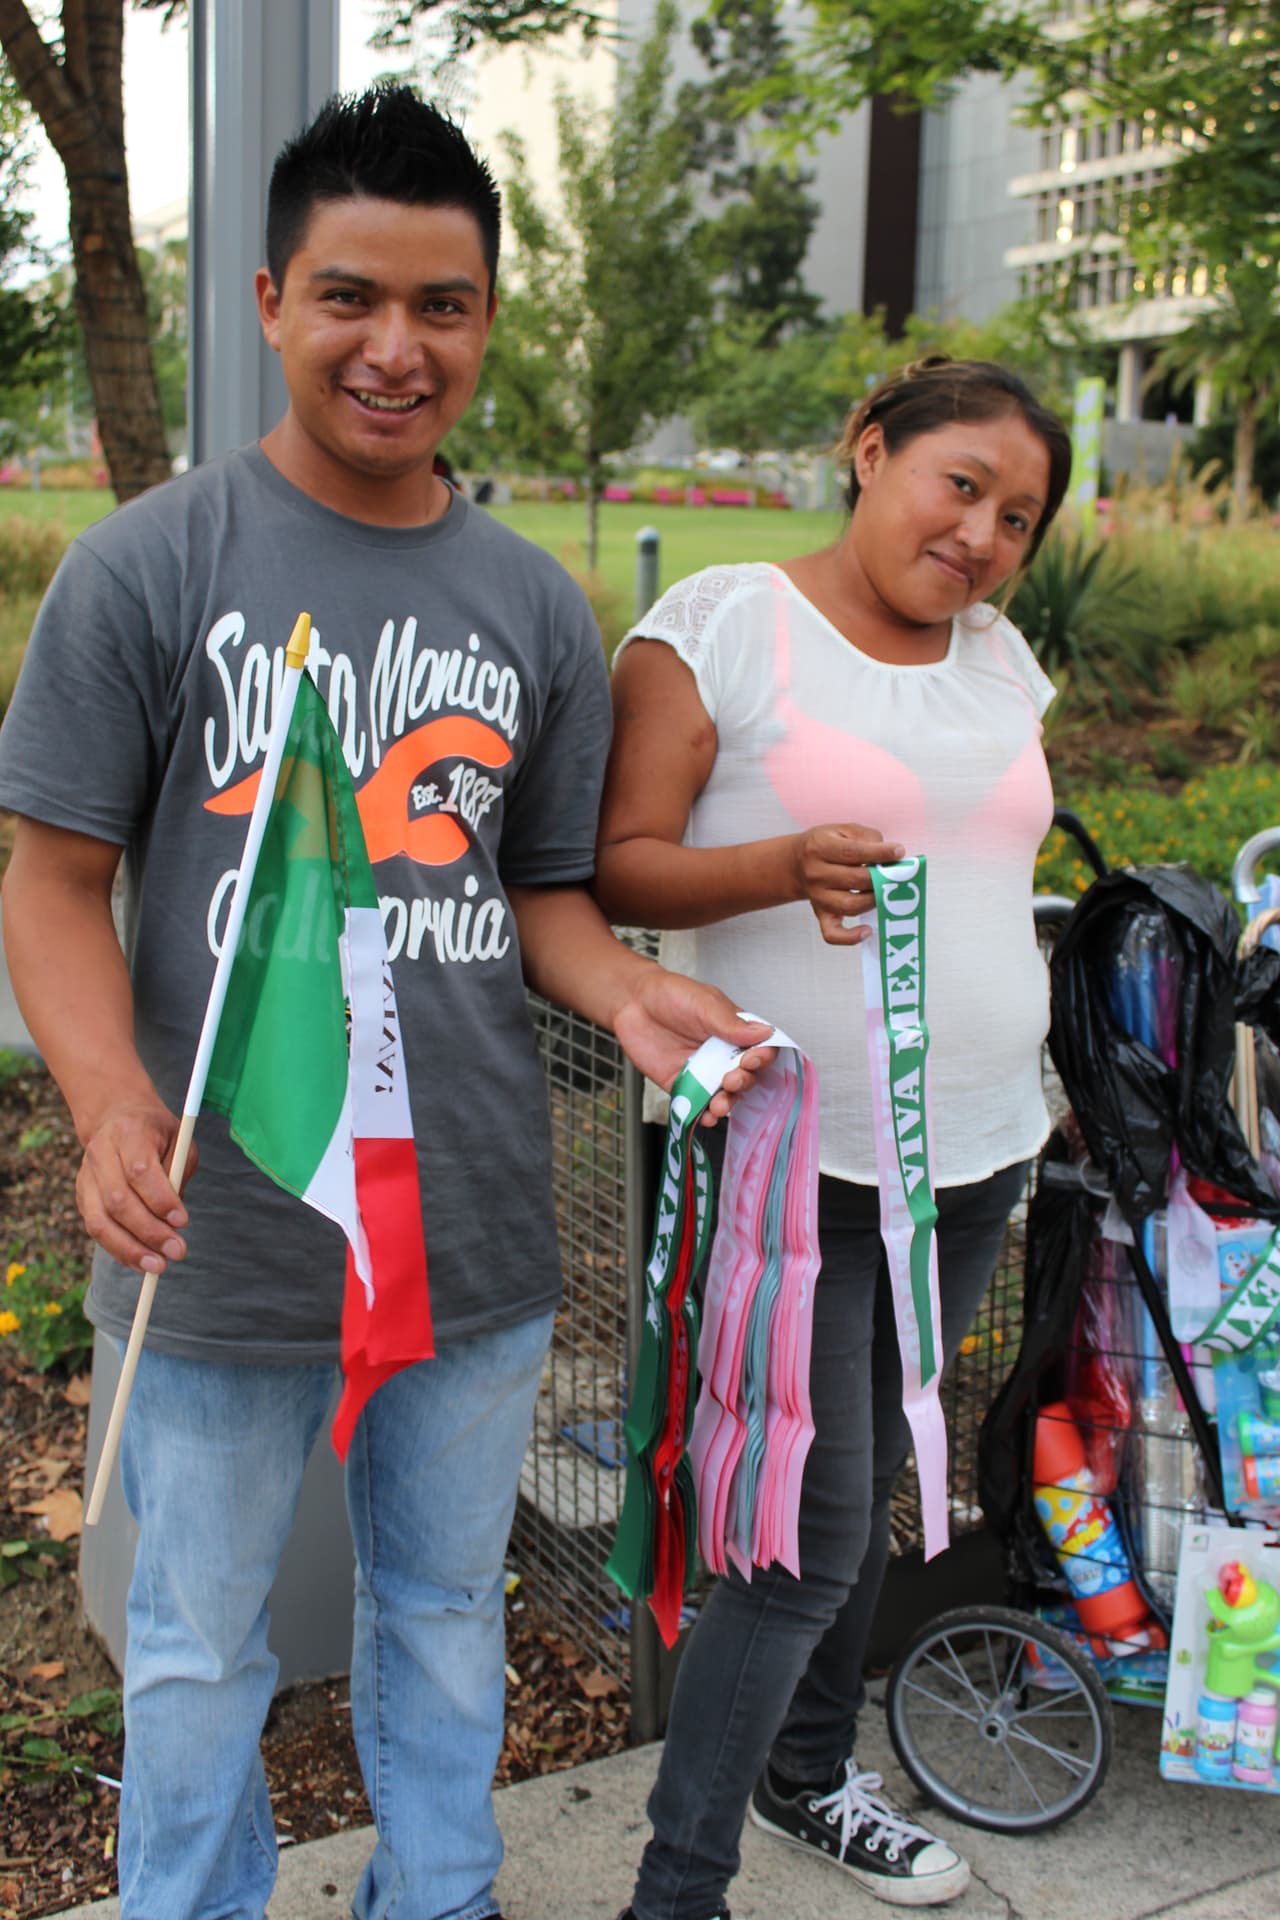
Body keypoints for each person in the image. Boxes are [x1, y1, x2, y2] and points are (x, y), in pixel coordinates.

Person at [0, 87, 770, 1920]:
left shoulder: (530, 604)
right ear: (269, 299)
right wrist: (108, 1099)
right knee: (192, 1645)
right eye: (351, 296)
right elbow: (49, 877)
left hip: (475, 1226)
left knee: (441, 1607)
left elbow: (549, 902)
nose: (393, 347)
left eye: (443, 306)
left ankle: (440, 1890)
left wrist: (636, 994)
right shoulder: (149, 568)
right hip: (218, 1211)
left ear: (489, 320)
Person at [594, 357, 1073, 1918]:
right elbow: (619, 870)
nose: (987, 534)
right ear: (867, 450)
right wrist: (779, 864)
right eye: (962, 485)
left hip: (982, 1149)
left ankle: (809, 1779)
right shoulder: (725, 626)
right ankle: (679, 1888)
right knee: (799, 1538)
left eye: (1021, 515)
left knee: (865, 1488)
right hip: (798, 1164)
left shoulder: (1002, 658)